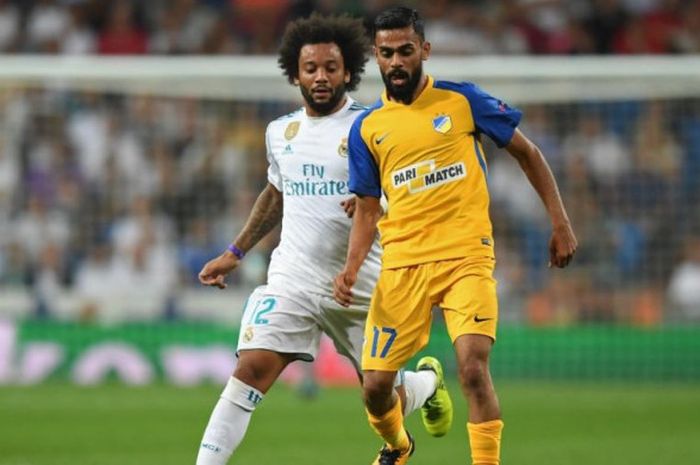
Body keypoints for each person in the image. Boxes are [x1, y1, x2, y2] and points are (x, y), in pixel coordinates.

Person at [195, 14, 449, 465]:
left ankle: (426, 384)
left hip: (361, 282)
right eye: (310, 67)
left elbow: (407, 189)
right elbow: (276, 193)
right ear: (294, 73)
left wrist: (381, 204)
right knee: (250, 370)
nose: (320, 76)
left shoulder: (373, 126)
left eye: (331, 67)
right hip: (293, 278)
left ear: (348, 71)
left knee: (379, 393)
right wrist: (235, 252)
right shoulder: (281, 133)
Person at [334, 7, 578, 465]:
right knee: (375, 389)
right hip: (402, 265)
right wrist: (350, 267)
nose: (397, 62)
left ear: (424, 50)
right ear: (376, 57)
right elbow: (367, 208)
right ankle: (399, 445)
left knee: (472, 368)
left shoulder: (462, 101)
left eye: (406, 51)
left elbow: (528, 152)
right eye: (387, 54)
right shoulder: (367, 128)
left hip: (466, 256)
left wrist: (560, 222)